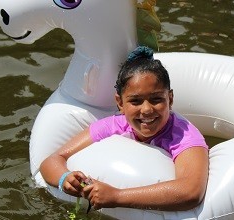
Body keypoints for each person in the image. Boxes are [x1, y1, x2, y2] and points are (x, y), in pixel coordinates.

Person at [39, 46, 209, 212]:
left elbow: (191, 191)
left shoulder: (184, 135)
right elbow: (52, 160)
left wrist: (117, 196)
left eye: (156, 99)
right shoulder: (114, 126)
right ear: (120, 103)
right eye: (135, 101)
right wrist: (65, 179)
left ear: (170, 99)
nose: (147, 109)